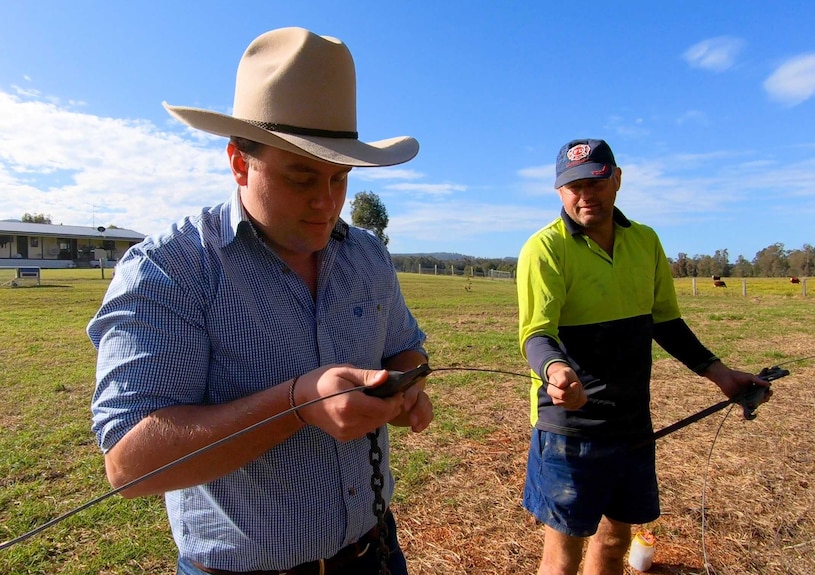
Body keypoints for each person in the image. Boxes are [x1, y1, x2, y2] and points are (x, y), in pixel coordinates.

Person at [87, 27, 433, 575]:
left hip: (375, 553)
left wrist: (407, 385)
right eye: (301, 176)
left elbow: (403, 349)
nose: (326, 201)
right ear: (239, 162)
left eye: (340, 178)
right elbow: (132, 465)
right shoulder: (170, 268)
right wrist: (299, 403)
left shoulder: (366, 255)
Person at [516, 138, 770, 575]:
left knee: (614, 544)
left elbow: (666, 322)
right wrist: (557, 370)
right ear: (559, 191)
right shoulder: (545, 248)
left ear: (616, 179)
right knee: (562, 559)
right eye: (573, 186)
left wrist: (720, 374)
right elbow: (536, 333)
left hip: (632, 422)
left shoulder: (646, 241)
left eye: (594, 181)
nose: (585, 195)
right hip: (571, 427)